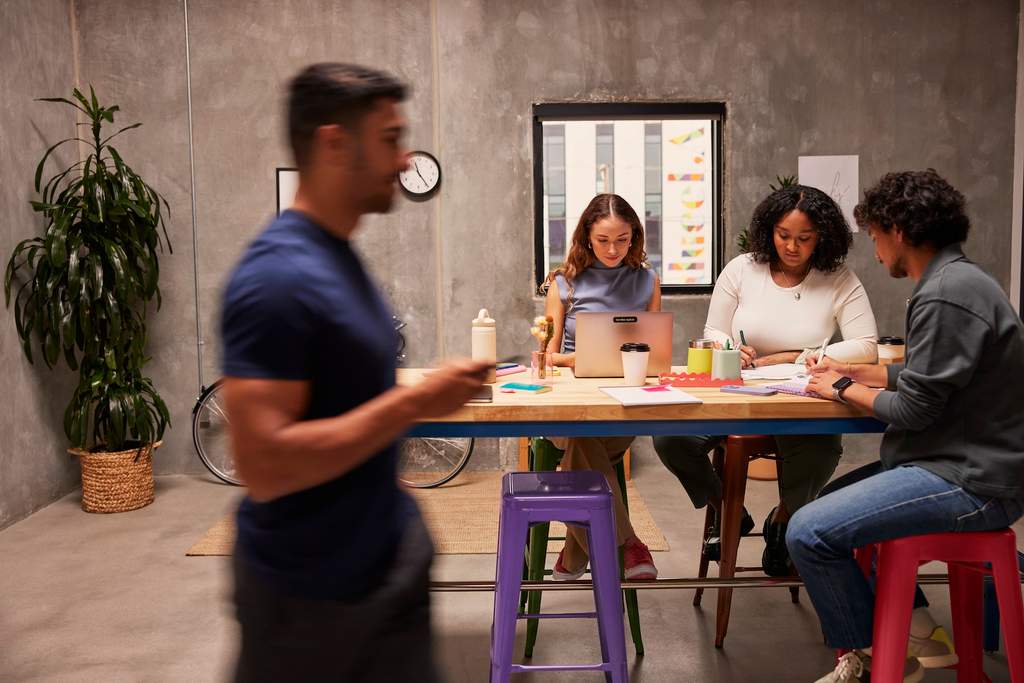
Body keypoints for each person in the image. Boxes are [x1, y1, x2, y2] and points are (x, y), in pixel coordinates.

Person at [220, 63, 489, 682]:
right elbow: (264, 464)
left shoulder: (338, 255)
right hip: (311, 601)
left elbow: (342, 405)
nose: (404, 159)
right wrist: (413, 403)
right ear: (335, 144)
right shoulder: (277, 279)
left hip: (378, 573)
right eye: (390, 139)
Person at [788, 169, 1024, 683]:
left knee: (807, 531)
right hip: (957, 463)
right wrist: (853, 370)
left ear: (897, 230)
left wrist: (841, 389)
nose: (874, 250)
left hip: (971, 480)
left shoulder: (944, 295)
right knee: (817, 510)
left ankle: (877, 653)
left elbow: (915, 409)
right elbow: (929, 376)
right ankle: (905, 635)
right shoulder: (957, 281)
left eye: (873, 235)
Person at [653, 185, 878, 575]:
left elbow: (866, 346)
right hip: (736, 393)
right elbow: (714, 331)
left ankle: (785, 521)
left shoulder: (838, 278)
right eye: (783, 235)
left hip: (801, 394)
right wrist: (728, 349)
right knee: (670, 437)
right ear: (768, 231)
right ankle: (728, 510)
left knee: (821, 447)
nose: (792, 247)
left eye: (804, 238)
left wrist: (803, 356)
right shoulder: (742, 269)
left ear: (822, 237)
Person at [542, 193, 660, 581]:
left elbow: (654, 353)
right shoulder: (564, 284)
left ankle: (576, 550)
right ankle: (628, 545)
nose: (613, 249)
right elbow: (548, 356)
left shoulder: (647, 281)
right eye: (603, 240)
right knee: (580, 436)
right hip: (568, 407)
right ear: (586, 237)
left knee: (584, 443)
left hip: (622, 407)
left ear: (634, 237)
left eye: (622, 240)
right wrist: (580, 359)